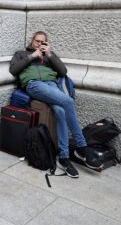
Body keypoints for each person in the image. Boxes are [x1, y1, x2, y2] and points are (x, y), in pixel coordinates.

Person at [9, 31, 102, 178]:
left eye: (42, 42)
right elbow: (13, 70)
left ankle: (64, 158)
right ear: (32, 41)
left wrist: (50, 55)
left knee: (61, 112)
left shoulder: (50, 56)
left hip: (52, 86)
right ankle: (81, 146)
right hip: (34, 85)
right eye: (37, 41)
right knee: (68, 101)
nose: (39, 44)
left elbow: (63, 71)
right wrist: (32, 56)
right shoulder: (21, 54)